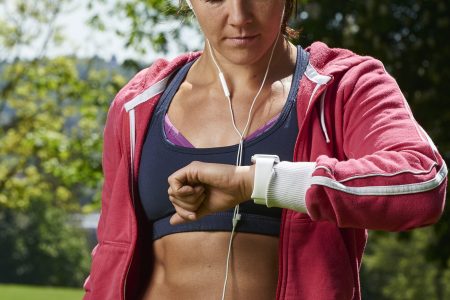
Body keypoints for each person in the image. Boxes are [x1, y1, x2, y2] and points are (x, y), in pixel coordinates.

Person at [82, 0, 447, 299]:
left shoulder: (345, 86)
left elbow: (423, 181)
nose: (239, 17)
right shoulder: (138, 104)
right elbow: (110, 257)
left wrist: (260, 182)